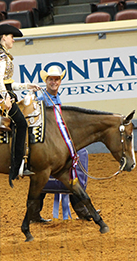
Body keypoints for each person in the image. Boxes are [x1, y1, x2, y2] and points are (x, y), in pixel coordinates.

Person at [34, 66, 92, 222]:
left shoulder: (55, 97)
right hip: (46, 145)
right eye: (51, 79)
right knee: (66, 173)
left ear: (60, 81)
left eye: (56, 79)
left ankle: (81, 210)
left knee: (50, 177)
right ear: (46, 81)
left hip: (52, 144)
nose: (54, 82)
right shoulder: (40, 99)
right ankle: (82, 210)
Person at [0, 24, 41, 181]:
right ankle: (17, 166)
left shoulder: (3, 54)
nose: (13, 40)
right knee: (22, 123)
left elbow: (9, 83)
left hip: (5, 93)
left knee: (21, 122)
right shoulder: (0, 55)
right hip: (0, 95)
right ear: (3, 37)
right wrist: (5, 98)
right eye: (11, 37)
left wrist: (26, 86)